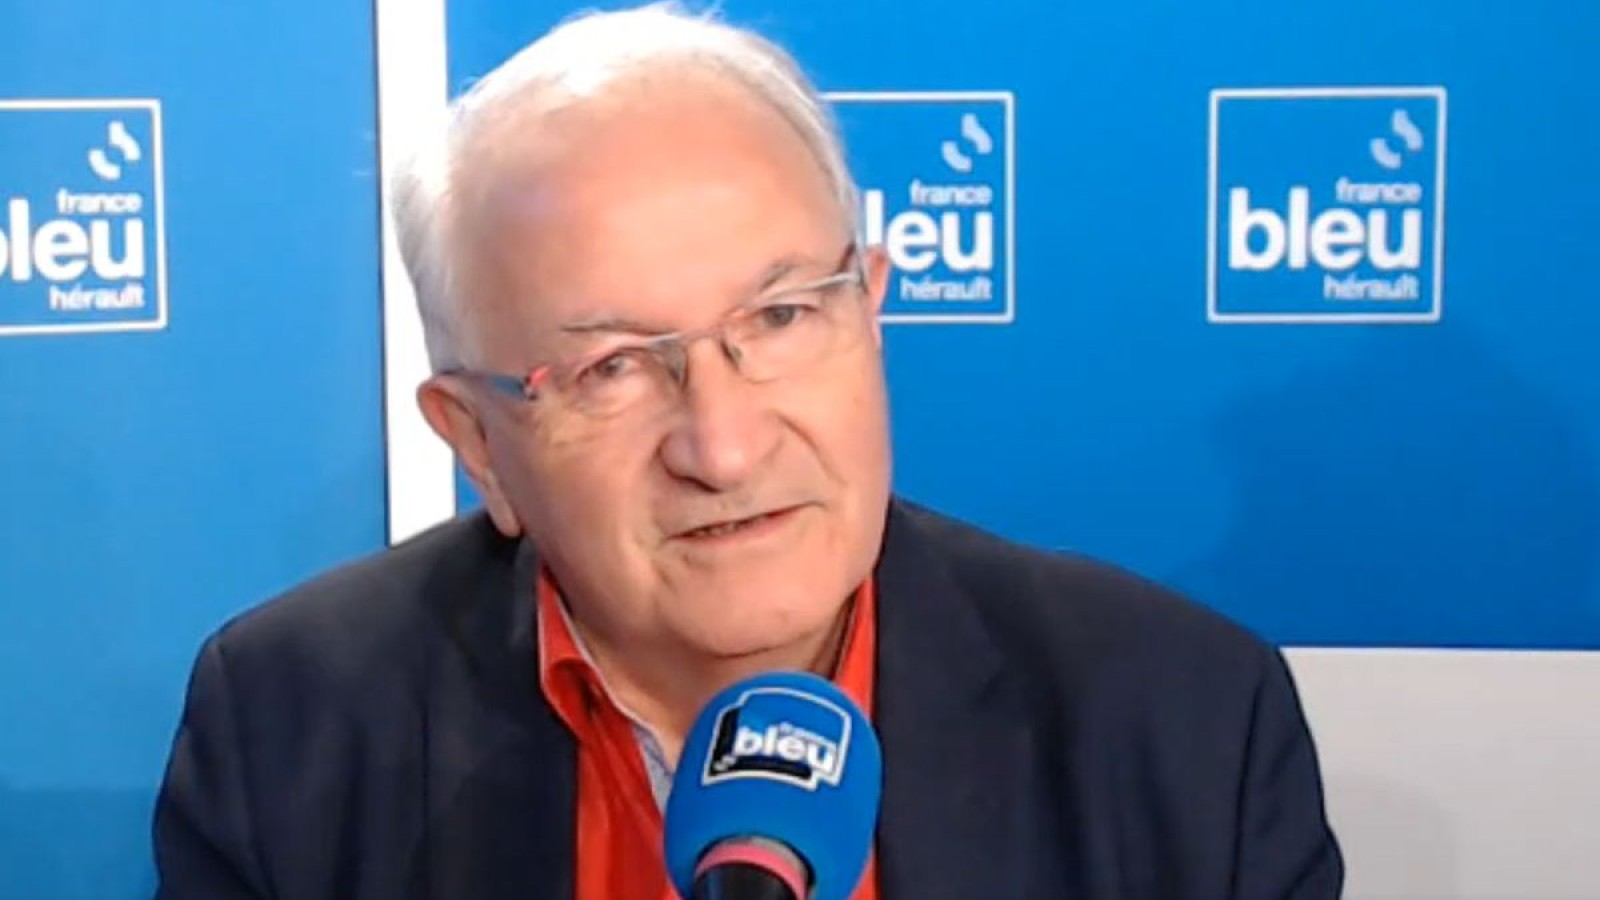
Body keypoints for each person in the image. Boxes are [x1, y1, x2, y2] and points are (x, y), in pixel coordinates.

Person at [151, 3, 1344, 898]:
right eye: (612, 368)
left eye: (778, 318)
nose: (721, 447)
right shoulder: (292, 733)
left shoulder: (1181, 727)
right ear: (480, 445)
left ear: (869, 317)